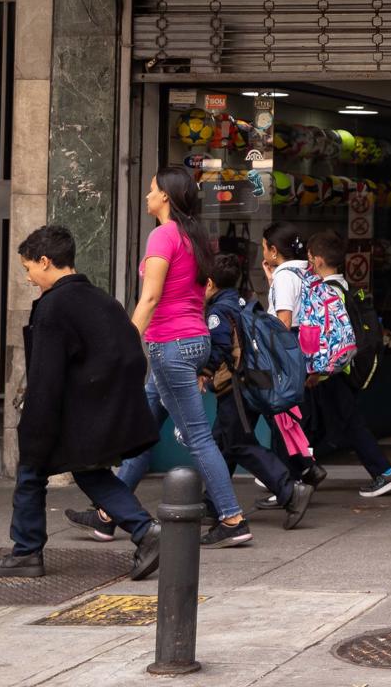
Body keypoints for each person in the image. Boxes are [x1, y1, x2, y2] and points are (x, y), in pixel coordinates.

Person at [0, 225, 163, 581]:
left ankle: (26, 552)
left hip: (72, 409)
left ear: (45, 261)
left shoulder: (53, 306)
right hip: (98, 408)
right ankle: (147, 532)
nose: (29, 277)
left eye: (28, 269)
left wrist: (34, 427)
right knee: (90, 472)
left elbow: (45, 376)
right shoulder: (100, 298)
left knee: (31, 471)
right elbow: (130, 351)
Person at [112, 165, 253, 547]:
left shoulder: (162, 236)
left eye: (152, 189)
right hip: (193, 341)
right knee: (143, 426)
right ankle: (109, 510)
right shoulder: (195, 237)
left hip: (170, 345)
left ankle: (232, 518)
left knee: (198, 438)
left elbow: (151, 297)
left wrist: (125, 342)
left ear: (166, 197)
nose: (146, 195)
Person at [202, 250, 314, 529]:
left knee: (238, 444)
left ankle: (289, 490)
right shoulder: (243, 300)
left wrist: (204, 372)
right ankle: (212, 504)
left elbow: (221, 348)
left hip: (234, 389)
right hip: (250, 385)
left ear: (209, 284)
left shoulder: (218, 311)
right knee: (222, 442)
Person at [300, 229, 391, 497]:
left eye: (310, 258)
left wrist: (316, 371)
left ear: (319, 260)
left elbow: (322, 335)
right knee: (321, 422)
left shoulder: (325, 292)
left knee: (349, 423)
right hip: (345, 368)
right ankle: (293, 470)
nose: (308, 263)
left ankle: (384, 472)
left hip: (333, 372)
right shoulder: (346, 288)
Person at [259, 223, 328, 492]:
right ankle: (304, 470)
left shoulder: (287, 277)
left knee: (281, 421)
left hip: (285, 356)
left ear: (274, 251)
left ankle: (291, 481)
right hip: (302, 353)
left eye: (264, 247)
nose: (262, 252)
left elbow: (284, 322)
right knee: (288, 420)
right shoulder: (304, 272)